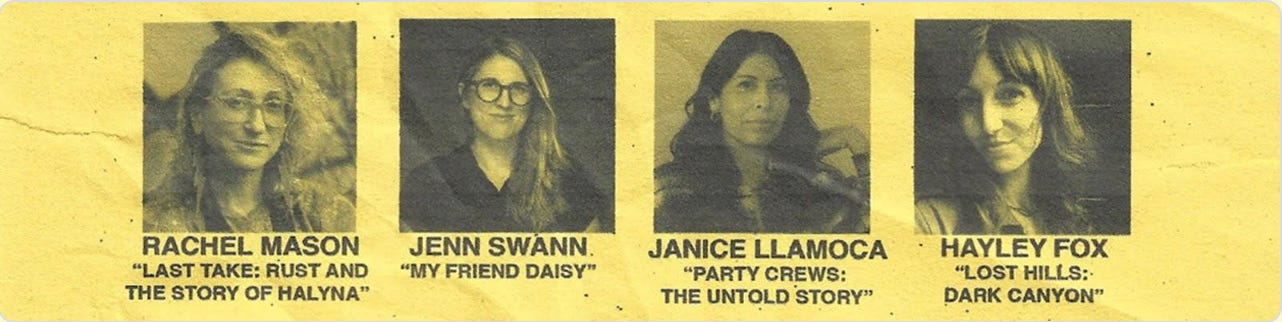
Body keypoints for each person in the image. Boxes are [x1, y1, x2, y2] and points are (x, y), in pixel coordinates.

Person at [144, 23, 355, 232]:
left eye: (273, 105)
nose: (256, 125)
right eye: (237, 102)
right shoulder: (156, 225)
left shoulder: (325, 215)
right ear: (197, 116)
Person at [655, 30, 869, 233]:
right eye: (746, 85)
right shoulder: (671, 189)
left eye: (778, 87)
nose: (764, 102)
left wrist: (855, 141)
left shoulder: (817, 184)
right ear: (714, 101)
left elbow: (885, 228)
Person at [400, 36, 610, 232]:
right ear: (465, 95)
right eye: (490, 86)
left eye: (518, 89)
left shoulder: (571, 183)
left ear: (533, 100)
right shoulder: (427, 182)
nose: (504, 102)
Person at [915, 22, 1100, 235]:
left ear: (1047, 104)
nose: (988, 125)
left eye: (1010, 95)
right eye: (970, 101)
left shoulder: (1073, 215)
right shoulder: (931, 221)